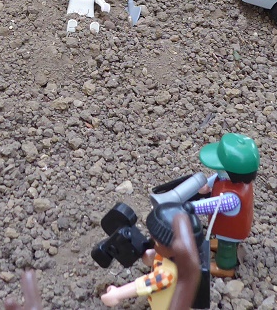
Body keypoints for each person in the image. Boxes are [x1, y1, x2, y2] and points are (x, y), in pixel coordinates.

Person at [101, 202, 203, 310]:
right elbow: (159, 257)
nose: (153, 244)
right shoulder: (175, 258)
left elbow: (144, 284)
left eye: (156, 243)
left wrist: (118, 294)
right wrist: (152, 256)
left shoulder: (167, 274)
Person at [189, 133, 260, 278]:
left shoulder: (232, 198)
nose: (218, 170)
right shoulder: (232, 180)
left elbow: (212, 205)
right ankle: (221, 244)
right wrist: (207, 186)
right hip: (228, 227)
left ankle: (224, 266)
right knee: (224, 241)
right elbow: (217, 178)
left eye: (221, 168)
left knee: (227, 248)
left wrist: (191, 207)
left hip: (230, 231)